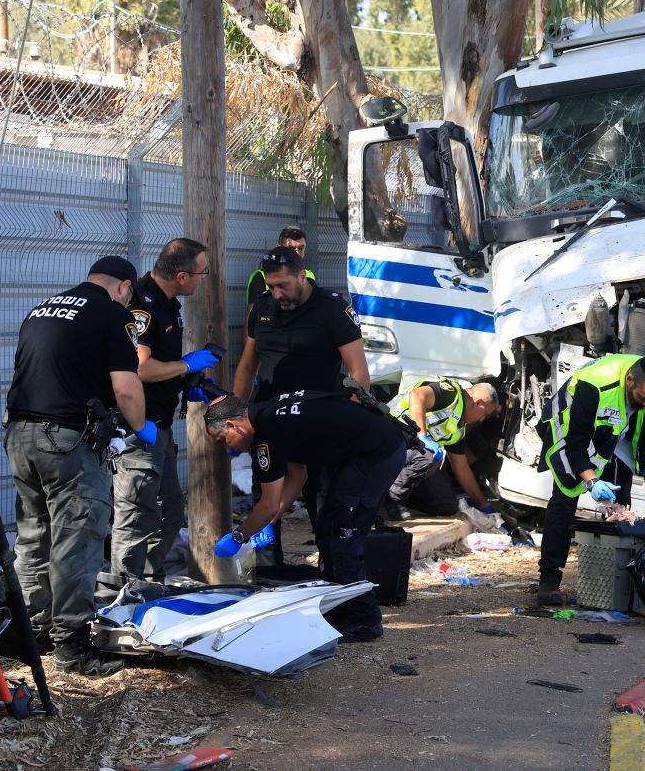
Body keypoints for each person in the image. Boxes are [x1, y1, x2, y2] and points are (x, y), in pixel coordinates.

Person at [5, 255, 155, 676]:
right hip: (67, 441)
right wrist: (141, 428)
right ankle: (72, 646)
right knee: (78, 537)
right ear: (124, 286)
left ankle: (32, 633)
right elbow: (126, 387)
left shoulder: (42, 307)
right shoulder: (112, 315)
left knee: (34, 536)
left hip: (19, 435)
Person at [204, 392, 406, 642]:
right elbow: (298, 476)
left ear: (234, 425)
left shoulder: (268, 435)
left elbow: (268, 504)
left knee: (341, 535)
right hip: (369, 448)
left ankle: (364, 620)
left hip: (377, 453)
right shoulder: (268, 412)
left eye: (223, 439)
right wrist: (268, 522)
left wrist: (239, 536)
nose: (228, 448)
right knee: (328, 529)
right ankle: (341, 610)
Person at [233, 246, 370, 559]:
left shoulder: (332, 309)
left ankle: (333, 573)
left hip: (319, 424)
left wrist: (350, 418)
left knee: (325, 505)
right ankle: (266, 575)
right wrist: (237, 411)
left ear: (301, 275)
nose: (278, 292)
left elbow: (359, 371)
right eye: (272, 286)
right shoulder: (263, 309)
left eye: (284, 285)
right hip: (270, 424)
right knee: (265, 501)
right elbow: (246, 365)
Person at [110, 238, 219, 582]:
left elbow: (161, 369)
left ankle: (146, 580)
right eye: (202, 273)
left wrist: (187, 383)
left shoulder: (168, 303)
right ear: (183, 276)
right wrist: (185, 366)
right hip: (137, 430)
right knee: (137, 516)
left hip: (161, 426)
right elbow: (139, 368)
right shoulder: (142, 305)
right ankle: (123, 592)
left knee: (171, 514)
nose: (204, 279)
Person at [535, 354, 645, 606]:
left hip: (615, 427)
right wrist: (591, 481)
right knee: (565, 496)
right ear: (630, 380)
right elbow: (575, 444)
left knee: (619, 505)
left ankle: (611, 583)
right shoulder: (593, 385)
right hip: (570, 426)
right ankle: (549, 579)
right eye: (643, 398)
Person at [383, 377, 500, 520]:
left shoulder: (459, 427)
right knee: (429, 455)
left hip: (408, 454)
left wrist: (484, 505)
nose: (482, 420)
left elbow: (462, 469)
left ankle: (395, 494)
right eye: (485, 414)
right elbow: (417, 395)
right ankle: (391, 499)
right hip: (388, 436)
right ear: (479, 403)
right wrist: (422, 436)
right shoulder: (451, 394)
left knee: (446, 505)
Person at [245, 225, 315, 310]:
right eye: (291, 248)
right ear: (278, 247)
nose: (297, 253)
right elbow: (251, 319)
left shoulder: (310, 276)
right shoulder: (261, 277)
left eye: (301, 248)